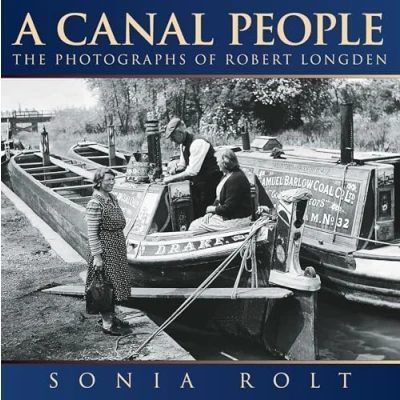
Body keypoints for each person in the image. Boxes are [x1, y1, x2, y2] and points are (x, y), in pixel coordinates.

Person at [85, 167, 131, 336]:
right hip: (105, 250)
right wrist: (97, 257)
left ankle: (111, 316)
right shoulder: (95, 203)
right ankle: (107, 324)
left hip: (116, 248)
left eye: (113, 179)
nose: (112, 183)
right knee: (104, 286)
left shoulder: (112, 198)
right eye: (108, 180)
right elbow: (92, 233)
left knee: (115, 285)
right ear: (99, 182)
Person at [163, 117, 223, 219]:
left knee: (204, 213)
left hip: (210, 183)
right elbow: (183, 164)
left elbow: (192, 171)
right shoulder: (183, 145)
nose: (173, 140)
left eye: (173, 136)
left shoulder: (197, 143)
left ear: (180, 132)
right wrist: (175, 169)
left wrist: (170, 179)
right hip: (198, 184)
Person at [189, 148, 253, 232]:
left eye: (218, 161)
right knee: (196, 223)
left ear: (225, 162)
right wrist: (210, 213)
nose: (217, 164)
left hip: (238, 220)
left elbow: (229, 208)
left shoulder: (236, 179)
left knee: (195, 227)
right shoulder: (226, 175)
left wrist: (212, 209)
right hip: (227, 216)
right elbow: (218, 198)